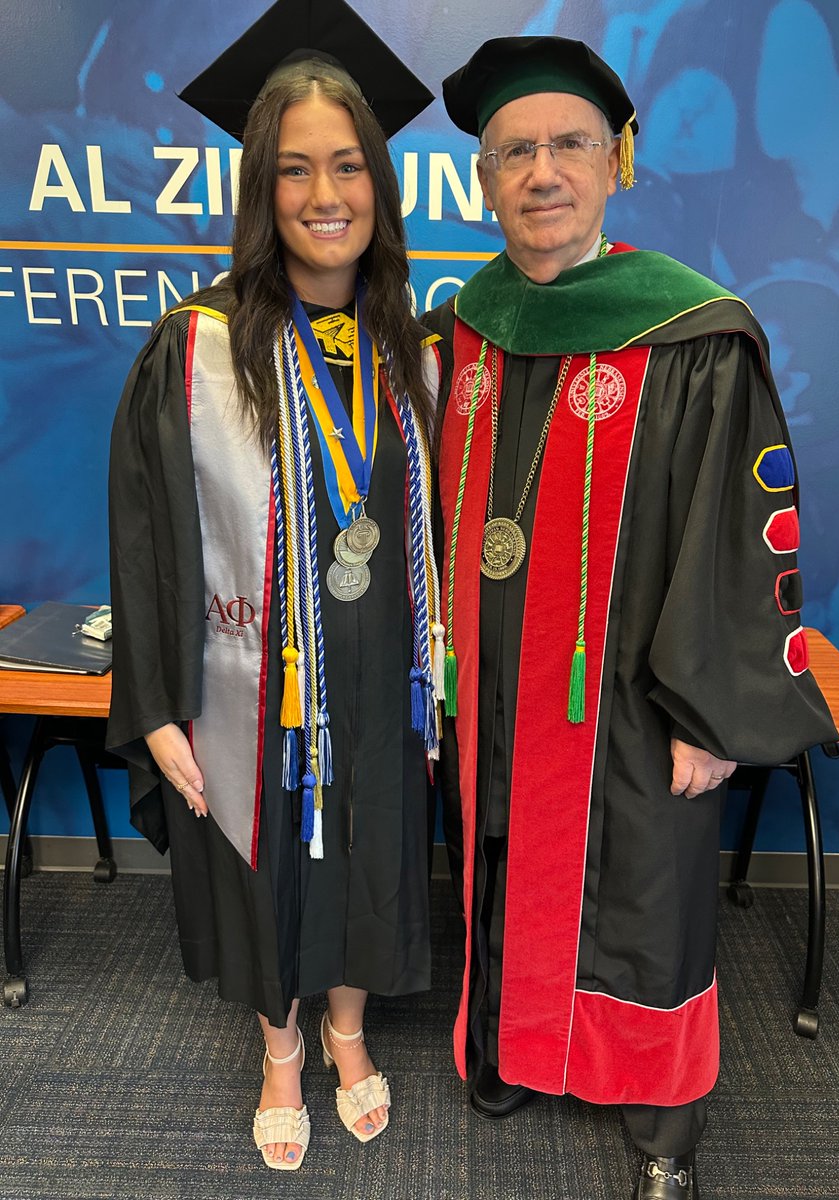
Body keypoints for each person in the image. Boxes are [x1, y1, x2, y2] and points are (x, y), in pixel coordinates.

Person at [424, 36, 839, 1200]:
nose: (541, 172)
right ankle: (511, 1052)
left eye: (568, 146)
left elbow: (738, 533)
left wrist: (712, 713)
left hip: (635, 698)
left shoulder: (695, 335)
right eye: (514, 152)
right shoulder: (468, 328)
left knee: (646, 902)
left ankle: (661, 1130)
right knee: (499, 863)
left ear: (620, 165)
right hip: (498, 697)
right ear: (483, 181)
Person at [107, 4, 441, 1173]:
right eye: (294, 169)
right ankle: (282, 1049)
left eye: (347, 163)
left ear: (378, 180)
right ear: (263, 189)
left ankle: (350, 1031)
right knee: (272, 865)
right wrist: (153, 705)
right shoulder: (196, 348)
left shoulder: (419, 343)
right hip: (260, 681)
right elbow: (146, 534)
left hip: (386, 671)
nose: (324, 193)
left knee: (365, 850)